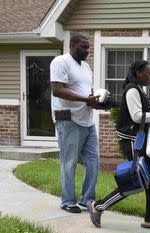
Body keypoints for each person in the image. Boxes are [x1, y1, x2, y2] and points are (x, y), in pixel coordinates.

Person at [87, 59, 150, 231]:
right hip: (133, 141)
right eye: (148, 73)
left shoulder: (139, 91)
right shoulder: (132, 89)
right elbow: (136, 116)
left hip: (140, 140)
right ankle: (98, 207)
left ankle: (149, 219)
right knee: (135, 179)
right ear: (137, 74)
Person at [50, 33, 104, 214]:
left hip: (87, 120)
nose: (87, 51)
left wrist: (95, 102)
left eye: (88, 47)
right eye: (84, 47)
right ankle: (67, 201)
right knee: (69, 161)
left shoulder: (86, 67)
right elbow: (57, 90)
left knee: (94, 161)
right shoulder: (60, 62)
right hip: (69, 120)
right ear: (72, 45)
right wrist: (85, 99)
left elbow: (86, 92)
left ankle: (87, 199)